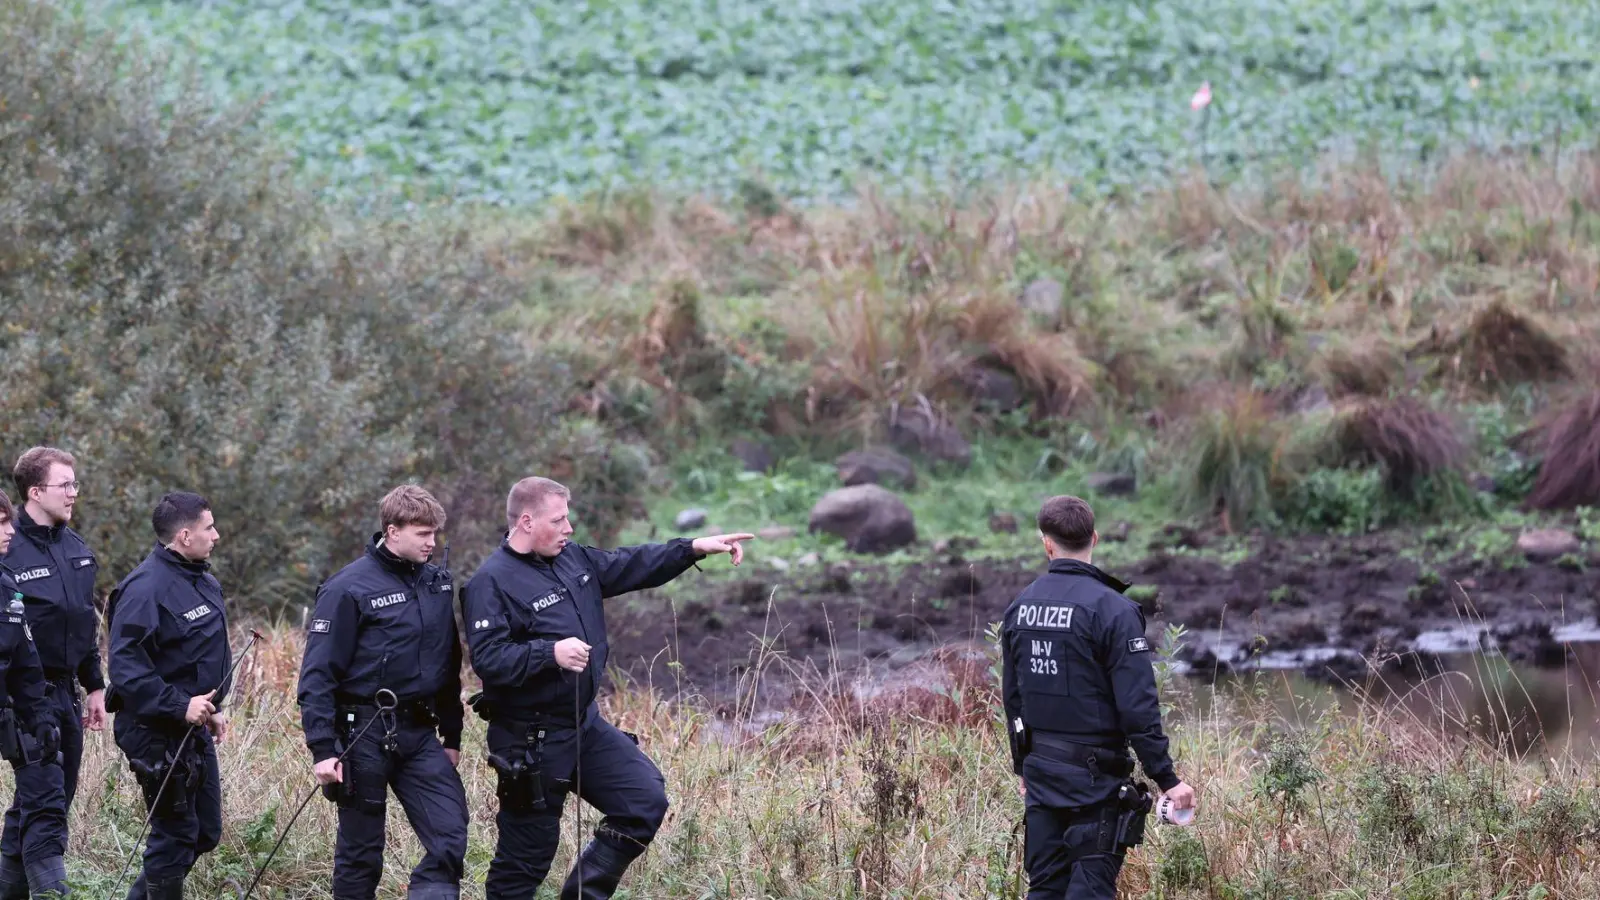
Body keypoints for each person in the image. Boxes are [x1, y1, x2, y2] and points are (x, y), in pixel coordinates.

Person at [460, 476, 752, 900]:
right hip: (530, 741)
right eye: (558, 520)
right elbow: (488, 659)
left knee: (643, 801)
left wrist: (692, 548)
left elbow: (629, 563)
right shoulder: (491, 582)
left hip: (583, 725)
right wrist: (549, 652)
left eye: (567, 518)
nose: (568, 528)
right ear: (526, 522)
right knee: (525, 862)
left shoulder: (571, 558)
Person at [1001, 495, 1197, 900]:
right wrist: (1167, 779)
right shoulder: (1114, 610)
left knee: (1045, 890)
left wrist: (1023, 765)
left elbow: (1013, 700)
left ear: (1046, 543)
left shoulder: (1020, 608)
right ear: (1095, 538)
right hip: (1095, 785)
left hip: (1042, 777)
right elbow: (1137, 708)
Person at [297, 485, 466, 900]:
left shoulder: (437, 584)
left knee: (450, 833)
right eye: (422, 533)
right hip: (362, 732)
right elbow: (317, 675)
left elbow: (447, 663)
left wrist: (452, 735)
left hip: (419, 730)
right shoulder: (346, 588)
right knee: (361, 854)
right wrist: (323, 748)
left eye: (434, 533)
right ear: (392, 531)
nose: (431, 542)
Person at [106, 492, 231, 900]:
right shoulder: (144, 589)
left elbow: (198, 656)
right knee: (174, 835)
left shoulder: (204, 581)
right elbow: (126, 669)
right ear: (184, 536)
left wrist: (211, 707)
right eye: (208, 527)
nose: (216, 535)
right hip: (154, 731)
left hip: (193, 726)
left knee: (205, 831)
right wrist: (180, 705)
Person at [0, 448, 104, 897]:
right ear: (36, 492)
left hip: (65, 694)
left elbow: (84, 621)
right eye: (65, 485)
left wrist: (95, 684)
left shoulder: (76, 549)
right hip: (23, 698)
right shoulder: (8, 548)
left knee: (48, 799)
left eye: (75, 484)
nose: (73, 493)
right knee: (45, 805)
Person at [0, 490, 68, 900]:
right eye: (1, 524)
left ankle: (51, 892)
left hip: (11, 712)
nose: (10, 531)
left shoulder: (7, 586)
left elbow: (26, 664)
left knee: (46, 792)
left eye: (10, 521)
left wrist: (41, 719)